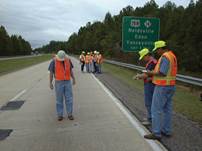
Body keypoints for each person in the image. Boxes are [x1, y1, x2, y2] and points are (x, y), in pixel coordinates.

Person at [144, 40, 177, 140]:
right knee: (167, 109)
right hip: (171, 86)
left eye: (157, 50)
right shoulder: (172, 56)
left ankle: (156, 133)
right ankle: (166, 130)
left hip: (162, 86)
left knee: (156, 109)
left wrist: (149, 72)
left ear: (161, 48)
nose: (157, 52)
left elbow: (162, 73)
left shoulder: (165, 57)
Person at [48, 50, 76, 121]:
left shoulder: (68, 60)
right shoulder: (53, 62)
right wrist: (50, 82)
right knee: (59, 99)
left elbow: (70, 70)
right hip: (58, 82)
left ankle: (70, 114)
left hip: (67, 82)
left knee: (69, 99)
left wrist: (73, 78)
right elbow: (51, 73)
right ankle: (60, 115)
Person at [133, 48, 157, 126]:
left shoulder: (152, 63)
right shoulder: (152, 62)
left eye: (143, 57)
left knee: (149, 102)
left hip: (150, 85)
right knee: (150, 102)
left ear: (147, 55)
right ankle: (150, 117)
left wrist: (138, 76)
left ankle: (150, 120)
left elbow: (146, 75)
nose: (143, 59)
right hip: (150, 83)